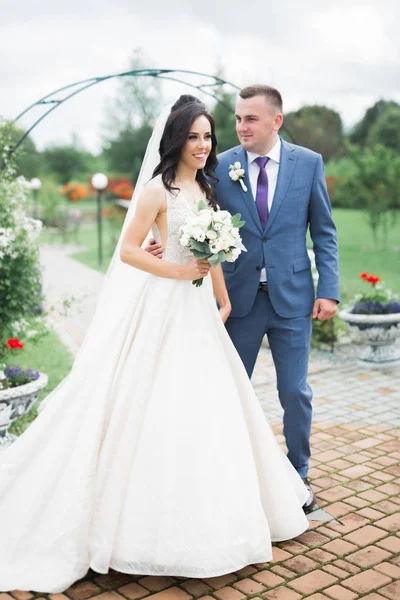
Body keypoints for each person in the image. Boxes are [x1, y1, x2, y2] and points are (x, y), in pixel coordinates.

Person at [0, 96, 309, 594]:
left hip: (199, 312)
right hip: (164, 309)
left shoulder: (207, 187)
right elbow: (128, 251)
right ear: (176, 140)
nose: (204, 145)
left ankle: (220, 518)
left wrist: (223, 299)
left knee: (211, 409)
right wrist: (178, 270)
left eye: (209, 136)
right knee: (157, 405)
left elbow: (217, 251)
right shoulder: (156, 190)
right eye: (194, 137)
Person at [148, 87, 340, 512]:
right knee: (231, 390)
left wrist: (329, 289)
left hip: (293, 298)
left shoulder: (309, 164)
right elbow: (185, 209)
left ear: (276, 121)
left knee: (295, 391)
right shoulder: (218, 165)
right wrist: (156, 242)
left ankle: (298, 471)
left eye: (250, 119)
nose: (240, 127)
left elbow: (324, 232)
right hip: (236, 298)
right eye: (237, 118)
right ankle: (231, 472)